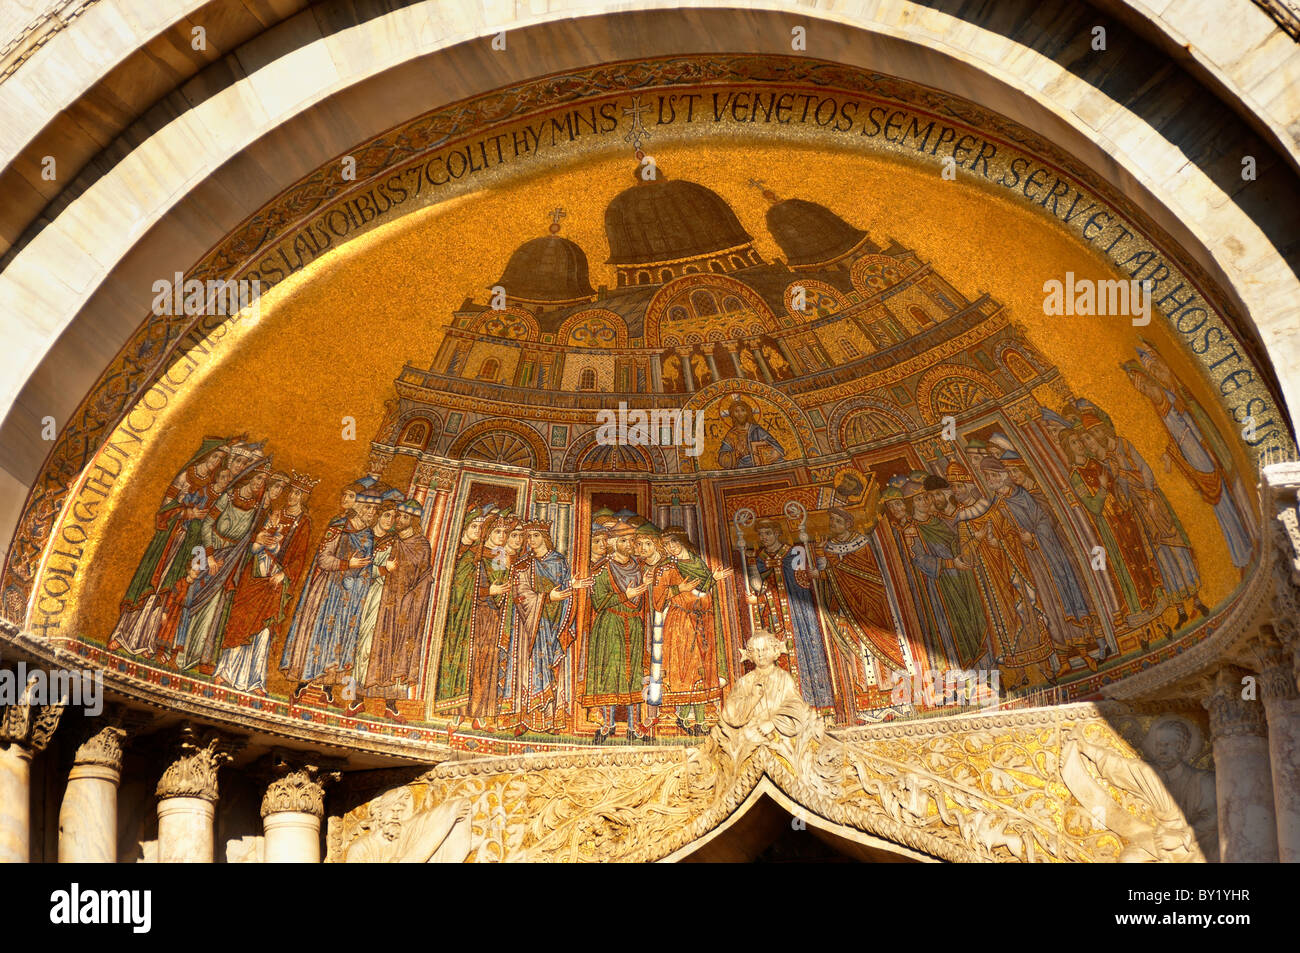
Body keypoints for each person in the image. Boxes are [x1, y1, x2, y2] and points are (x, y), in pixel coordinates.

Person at [213, 469, 316, 693]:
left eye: (298, 494)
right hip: (254, 575)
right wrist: (259, 539)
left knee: (264, 629)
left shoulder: (303, 523)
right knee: (240, 619)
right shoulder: (271, 512)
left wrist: (284, 574)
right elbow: (250, 539)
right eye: (291, 492)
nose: (292, 497)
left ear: (304, 497)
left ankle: (255, 680)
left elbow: (300, 557)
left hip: (275, 580)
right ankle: (225, 671)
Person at [279, 487, 377, 703]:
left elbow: (368, 568)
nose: (372, 512)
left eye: (375, 509)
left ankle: (327, 685)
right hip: (327, 591)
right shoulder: (338, 527)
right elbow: (323, 559)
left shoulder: (369, 535)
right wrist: (346, 564)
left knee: (339, 638)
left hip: (349, 597)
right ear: (358, 507)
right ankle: (304, 682)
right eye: (368, 507)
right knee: (318, 633)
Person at [653, 527, 731, 735]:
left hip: (704, 620)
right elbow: (657, 598)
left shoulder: (699, 563)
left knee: (703, 668)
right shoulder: (667, 568)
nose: (671, 547)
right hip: (681, 621)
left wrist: (713, 579)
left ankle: (700, 719)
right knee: (686, 667)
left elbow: (705, 589)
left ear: (683, 541)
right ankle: (683, 715)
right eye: (667, 544)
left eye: (674, 542)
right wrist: (680, 589)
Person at [365, 499, 434, 719]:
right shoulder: (390, 541)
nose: (398, 520)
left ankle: (391, 704)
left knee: (399, 650)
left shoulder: (421, 545)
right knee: (372, 646)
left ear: (413, 520)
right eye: (397, 516)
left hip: (406, 607)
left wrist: (411, 600)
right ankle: (359, 698)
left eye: (404, 517)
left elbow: (424, 576)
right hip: (383, 601)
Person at [509, 521, 580, 735]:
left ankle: (550, 719)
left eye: (535, 536)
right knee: (529, 669)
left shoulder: (559, 562)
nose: (531, 540)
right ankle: (527, 718)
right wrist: (548, 597)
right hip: (530, 624)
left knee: (550, 670)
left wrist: (571, 588)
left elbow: (566, 588)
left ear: (545, 537)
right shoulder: (524, 564)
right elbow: (519, 594)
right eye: (528, 536)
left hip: (551, 623)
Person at [583, 521, 649, 741]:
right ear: (613, 543)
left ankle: (633, 726)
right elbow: (598, 600)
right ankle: (608, 724)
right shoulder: (603, 568)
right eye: (623, 540)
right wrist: (625, 596)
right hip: (610, 625)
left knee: (634, 676)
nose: (629, 544)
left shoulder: (639, 567)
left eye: (631, 540)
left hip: (634, 625)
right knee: (611, 674)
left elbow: (643, 599)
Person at [433, 505, 493, 717]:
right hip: (452, 612)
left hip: (469, 613)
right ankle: (446, 704)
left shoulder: (478, 554)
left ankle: (461, 707)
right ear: (464, 526)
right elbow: (455, 582)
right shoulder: (455, 550)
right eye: (474, 525)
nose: (477, 530)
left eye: (481, 527)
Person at [717, 399, 785, 468]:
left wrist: (777, 452)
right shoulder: (731, 435)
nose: (740, 414)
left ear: (747, 412)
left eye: (743, 410)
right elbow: (722, 459)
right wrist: (736, 453)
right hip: (742, 467)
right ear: (732, 414)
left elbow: (774, 444)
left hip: (760, 465)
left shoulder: (756, 430)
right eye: (736, 411)